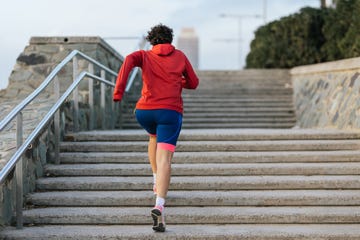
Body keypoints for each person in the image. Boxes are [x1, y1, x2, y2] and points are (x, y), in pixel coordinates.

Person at [113, 23, 199, 232]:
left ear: (152, 40)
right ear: (170, 40)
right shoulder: (180, 56)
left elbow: (127, 60)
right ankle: (159, 205)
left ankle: (155, 179)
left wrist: (118, 92)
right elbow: (194, 83)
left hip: (144, 111)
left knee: (153, 137)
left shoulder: (143, 55)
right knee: (165, 159)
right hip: (169, 112)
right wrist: (178, 82)